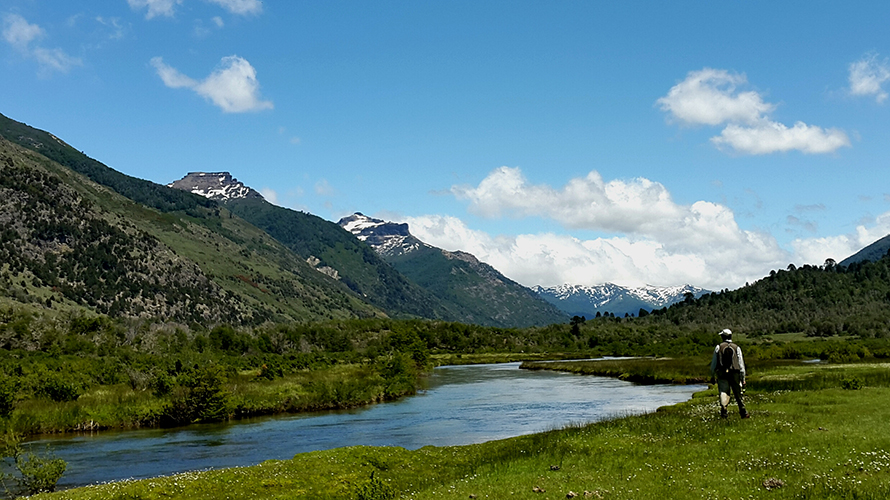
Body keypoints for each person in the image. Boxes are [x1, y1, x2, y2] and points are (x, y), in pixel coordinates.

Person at [710, 329, 750, 419]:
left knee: (723, 392)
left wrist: (712, 375)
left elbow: (713, 364)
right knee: (738, 393)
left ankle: (724, 410)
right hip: (735, 373)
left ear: (723, 337)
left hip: (722, 373)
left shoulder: (718, 347)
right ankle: (743, 412)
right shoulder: (737, 347)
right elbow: (741, 365)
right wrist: (743, 378)